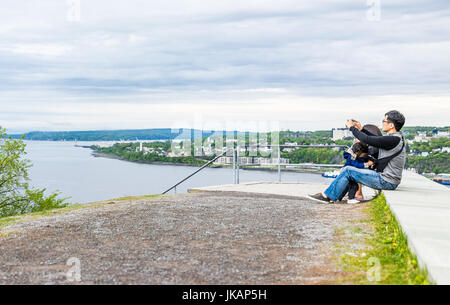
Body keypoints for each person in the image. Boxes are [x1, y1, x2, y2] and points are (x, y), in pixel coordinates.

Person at [308, 110, 406, 204]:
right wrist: (361, 129)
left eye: (384, 121)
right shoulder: (395, 138)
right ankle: (334, 195)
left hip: (386, 181)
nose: (382, 123)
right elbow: (375, 138)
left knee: (348, 170)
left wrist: (351, 128)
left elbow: (367, 139)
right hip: (387, 179)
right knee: (350, 171)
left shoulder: (393, 139)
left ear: (391, 125)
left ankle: (326, 196)